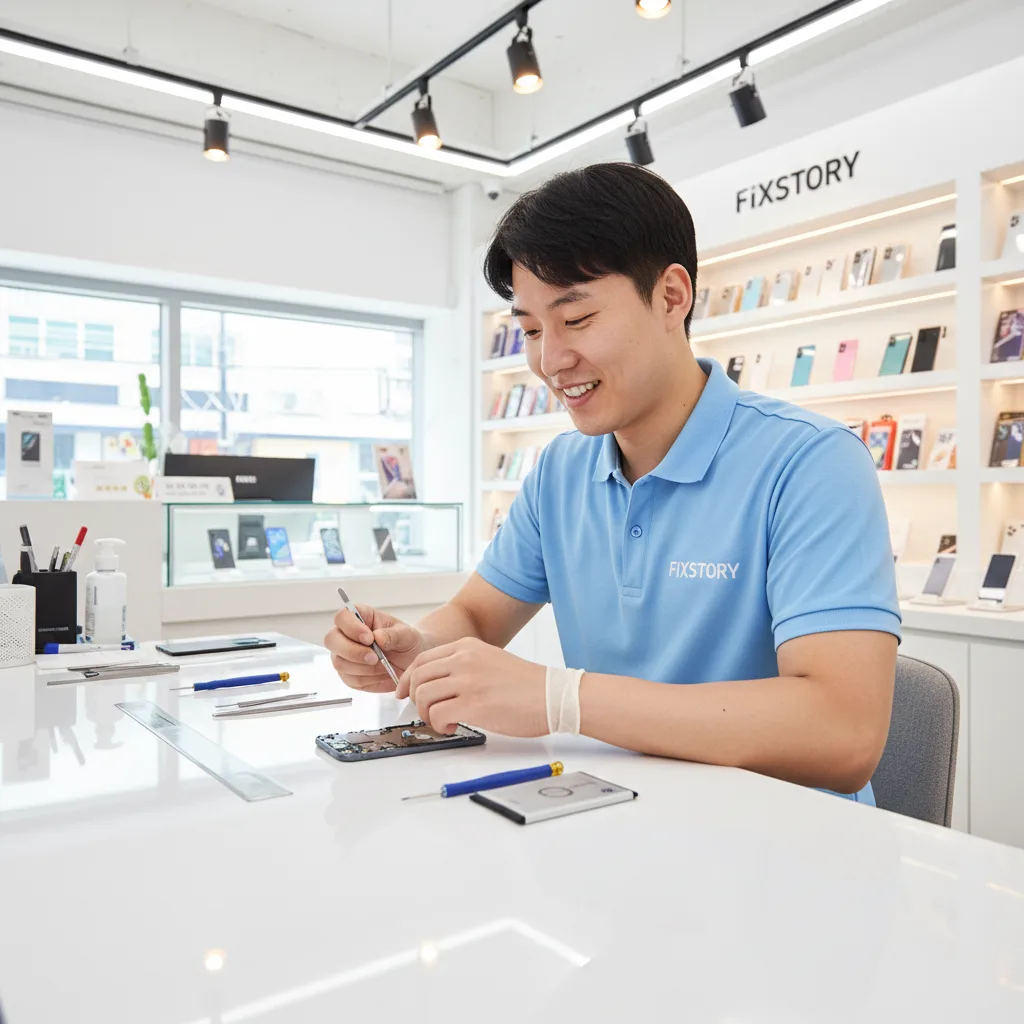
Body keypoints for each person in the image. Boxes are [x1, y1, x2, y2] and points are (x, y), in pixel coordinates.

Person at [325, 162, 900, 802]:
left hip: (785, 850)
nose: (550, 361)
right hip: (614, 820)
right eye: (533, 329)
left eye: (577, 319)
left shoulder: (812, 463)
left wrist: (560, 699)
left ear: (671, 297)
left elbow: (843, 734)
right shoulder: (560, 471)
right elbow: (476, 616)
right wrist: (421, 650)